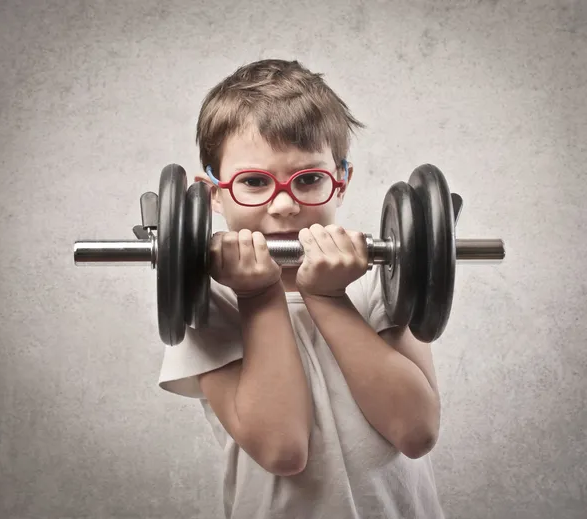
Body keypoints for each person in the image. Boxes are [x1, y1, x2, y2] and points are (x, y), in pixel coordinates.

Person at [158, 58, 445, 519]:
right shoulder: (203, 302)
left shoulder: (384, 284)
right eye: (254, 182)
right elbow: (282, 449)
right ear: (211, 193)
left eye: (309, 179)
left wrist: (329, 298)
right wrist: (257, 295)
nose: (286, 204)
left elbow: (415, 432)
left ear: (342, 180)